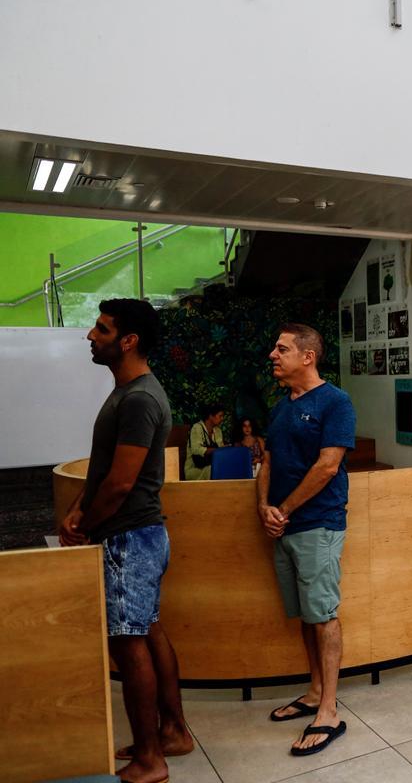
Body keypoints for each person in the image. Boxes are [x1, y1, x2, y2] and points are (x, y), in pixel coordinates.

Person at [59, 299, 192, 783]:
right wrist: (80, 508)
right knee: (148, 630)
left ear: (128, 340)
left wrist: (88, 524)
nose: (91, 337)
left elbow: (121, 484)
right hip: (140, 534)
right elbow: (106, 473)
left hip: (129, 538)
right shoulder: (132, 392)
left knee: (128, 642)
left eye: (102, 329)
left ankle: (151, 760)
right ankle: (173, 733)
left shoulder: (138, 398)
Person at [259, 324, 356, 756]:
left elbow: (327, 467)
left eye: (281, 349)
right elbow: (267, 460)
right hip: (284, 525)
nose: (273, 355)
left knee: (323, 615)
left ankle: (330, 711)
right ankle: (315, 691)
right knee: (304, 615)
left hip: (317, 524)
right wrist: (265, 506)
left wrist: (285, 510)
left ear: (308, 356)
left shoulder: (336, 402)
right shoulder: (281, 407)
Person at [184, 403, 224, 480]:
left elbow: (221, 449)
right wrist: (218, 450)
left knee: (222, 467)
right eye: (220, 416)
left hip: (211, 465)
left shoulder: (218, 431)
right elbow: (196, 450)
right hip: (195, 469)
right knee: (216, 469)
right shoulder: (197, 428)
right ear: (211, 416)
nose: (222, 419)